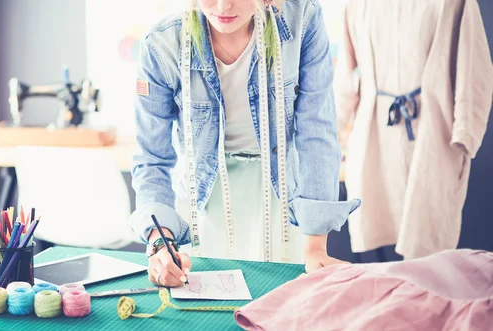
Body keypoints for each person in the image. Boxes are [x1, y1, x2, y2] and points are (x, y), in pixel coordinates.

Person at [130, 0, 361, 288]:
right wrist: (159, 243)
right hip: (203, 202)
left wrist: (316, 246)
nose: (224, 6)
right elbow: (152, 157)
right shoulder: (161, 45)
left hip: (280, 196)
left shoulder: (303, 20)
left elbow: (317, 129)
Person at [335, 0, 493, 260]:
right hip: (376, 132)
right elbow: (344, 74)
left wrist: (466, 131)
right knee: (377, 219)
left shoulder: (454, 3)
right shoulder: (357, 5)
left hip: (434, 132)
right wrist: (335, 130)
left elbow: (475, 68)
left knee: (427, 237)